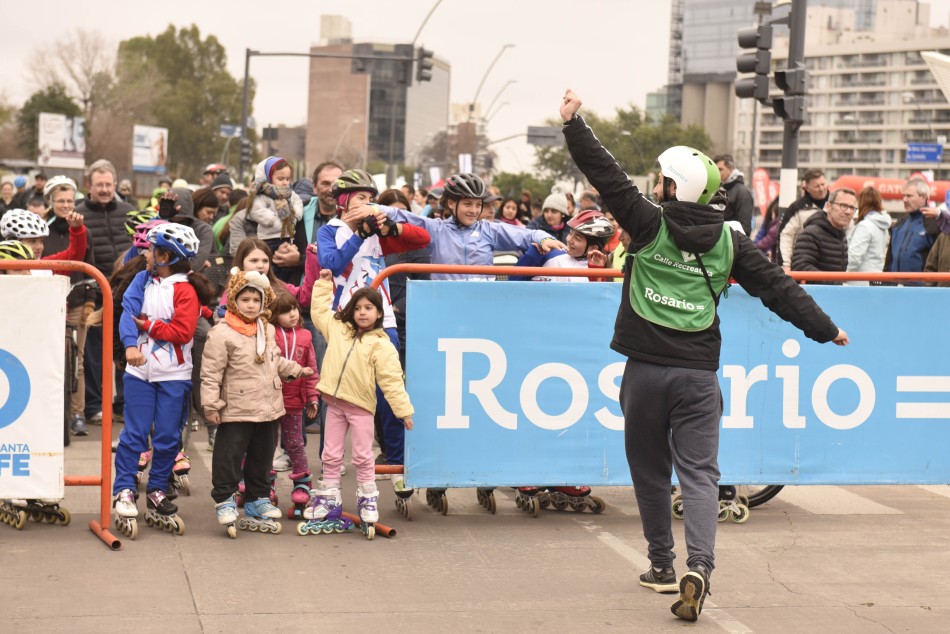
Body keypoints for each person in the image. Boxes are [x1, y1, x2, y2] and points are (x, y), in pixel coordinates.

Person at [560, 88, 849, 623]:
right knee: (700, 476)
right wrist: (824, 328)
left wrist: (575, 124)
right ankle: (701, 567)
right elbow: (777, 288)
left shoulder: (648, 222)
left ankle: (661, 565)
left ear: (673, 186)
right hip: (698, 379)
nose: (654, 186)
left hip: (644, 374)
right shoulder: (732, 242)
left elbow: (607, 176)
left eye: (662, 180)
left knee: (649, 472)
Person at [317, 170, 429, 481]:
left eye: (371, 198)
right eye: (362, 198)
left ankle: (396, 462)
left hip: (384, 322)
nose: (369, 204)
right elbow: (331, 264)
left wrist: (394, 225)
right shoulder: (330, 231)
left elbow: (423, 238)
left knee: (388, 390)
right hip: (345, 322)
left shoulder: (378, 230)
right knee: (338, 392)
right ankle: (331, 461)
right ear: (344, 200)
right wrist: (358, 235)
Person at [112, 223, 211, 536]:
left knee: (168, 436)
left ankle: (156, 490)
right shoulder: (142, 278)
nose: (146, 254)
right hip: (139, 372)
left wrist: (150, 326)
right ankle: (125, 489)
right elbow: (128, 313)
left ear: (165, 256)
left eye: (151, 250)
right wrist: (130, 345)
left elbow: (182, 332)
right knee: (135, 434)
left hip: (174, 375)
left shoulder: (186, 289)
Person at [202, 268, 314, 534]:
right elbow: (210, 373)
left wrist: (297, 370)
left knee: (262, 457)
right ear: (234, 301)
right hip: (237, 409)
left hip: (268, 407)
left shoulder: (267, 328)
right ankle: (225, 499)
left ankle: (257, 499)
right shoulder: (222, 333)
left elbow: (274, 360)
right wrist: (210, 405)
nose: (251, 305)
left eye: (256, 300)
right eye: (245, 300)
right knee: (229, 456)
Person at [305, 269, 413, 528]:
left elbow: (392, 381)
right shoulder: (339, 329)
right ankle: (330, 496)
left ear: (379, 313)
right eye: (358, 308)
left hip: (362, 408)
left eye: (369, 308)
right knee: (330, 454)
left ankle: (368, 498)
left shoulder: (382, 344)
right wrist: (323, 284)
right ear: (351, 310)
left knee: (363, 456)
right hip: (334, 404)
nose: (363, 312)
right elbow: (320, 312)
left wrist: (403, 411)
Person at [76, 159, 135, 425]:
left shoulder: (129, 212)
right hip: (95, 295)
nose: (104, 189)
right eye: (99, 184)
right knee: (94, 356)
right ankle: (94, 406)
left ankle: (122, 404)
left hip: (126, 294)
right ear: (89, 186)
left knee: (125, 352)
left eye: (108, 184)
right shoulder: (78, 215)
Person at [43, 176, 97, 435]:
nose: (65, 205)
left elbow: (85, 263)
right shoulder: (41, 228)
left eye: (69, 200)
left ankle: (77, 414)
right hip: (47, 301)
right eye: (60, 201)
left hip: (75, 301)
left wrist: (90, 301)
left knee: (77, 361)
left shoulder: (82, 229)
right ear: (50, 202)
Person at [269, 291, 319, 515]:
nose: (292, 314)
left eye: (294, 309)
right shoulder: (270, 334)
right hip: (269, 400)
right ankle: (263, 482)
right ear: (273, 315)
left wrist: (312, 398)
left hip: (295, 402)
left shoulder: (307, 336)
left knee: (295, 444)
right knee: (266, 445)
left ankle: (302, 483)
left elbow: (312, 371)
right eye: (284, 311)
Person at [247, 156, 303, 282]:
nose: (285, 182)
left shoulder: (290, 194)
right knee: (271, 269)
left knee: (287, 269)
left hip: (287, 237)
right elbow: (256, 210)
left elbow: (298, 202)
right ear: (268, 177)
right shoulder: (262, 194)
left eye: (288, 179)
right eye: (280, 178)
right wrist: (274, 220)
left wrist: (296, 214)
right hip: (268, 239)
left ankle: (282, 288)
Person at [790, 188, 855, 281]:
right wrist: (834, 284)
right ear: (828, 207)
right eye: (843, 205)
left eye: (852, 208)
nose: (848, 211)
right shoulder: (811, 234)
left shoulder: (841, 235)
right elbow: (801, 267)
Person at [885, 177, 939, 284]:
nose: (904, 200)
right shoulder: (899, 223)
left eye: (909, 196)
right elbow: (889, 260)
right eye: (903, 196)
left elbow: (939, 262)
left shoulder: (934, 224)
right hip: (895, 290)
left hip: (921, 291)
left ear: (923, 198)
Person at [777, 169, 828, 268]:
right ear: (807, 188)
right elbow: (786, 236)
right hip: (803, 262)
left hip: (831, 263)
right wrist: (786, 264)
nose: (821, 189)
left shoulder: (836, 203)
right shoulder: (797, 208)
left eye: (823, 184)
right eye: (817, 186)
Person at [846, 186, 891, 286]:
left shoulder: (865, 226)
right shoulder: (882, 226)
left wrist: (842, 275)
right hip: (876, 277)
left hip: (859, 280)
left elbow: (854, 257)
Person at [713, 155, 754, 235]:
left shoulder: (742, 192)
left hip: (732, 244)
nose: (717, 172)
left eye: (720, 169)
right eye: (716, 170)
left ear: (730, 169)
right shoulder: (720, 189)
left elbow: (745, 227)